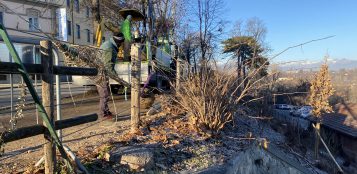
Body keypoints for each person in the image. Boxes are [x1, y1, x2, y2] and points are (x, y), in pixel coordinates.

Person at [96, 33, 124, 118]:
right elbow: (108, 66)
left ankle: (105, 111)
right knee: (104, 94)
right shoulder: (109, 48)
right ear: (119, 42)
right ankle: (103, 114)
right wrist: (117, 78)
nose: (121, 45)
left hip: (101, 72)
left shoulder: (109, 44)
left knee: (105, 93)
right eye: (121, 43)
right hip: (100, 73)